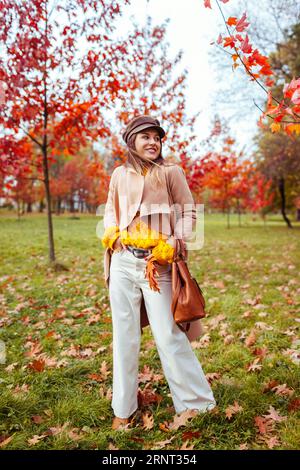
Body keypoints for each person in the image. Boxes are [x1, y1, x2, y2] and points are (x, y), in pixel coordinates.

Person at [101, 115, 216, 430]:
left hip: (159, 266)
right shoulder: (119, 175)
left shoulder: (170, 173)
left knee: (168, 335)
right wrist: (112, 234)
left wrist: (174, 241)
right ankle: (123, 409)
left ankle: (196, 405)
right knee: (124, 337)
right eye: (145, 137)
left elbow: (189, 210)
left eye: (157, 137)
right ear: (132, 142)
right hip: (123, 262)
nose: (152, 142)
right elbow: (110, 209)